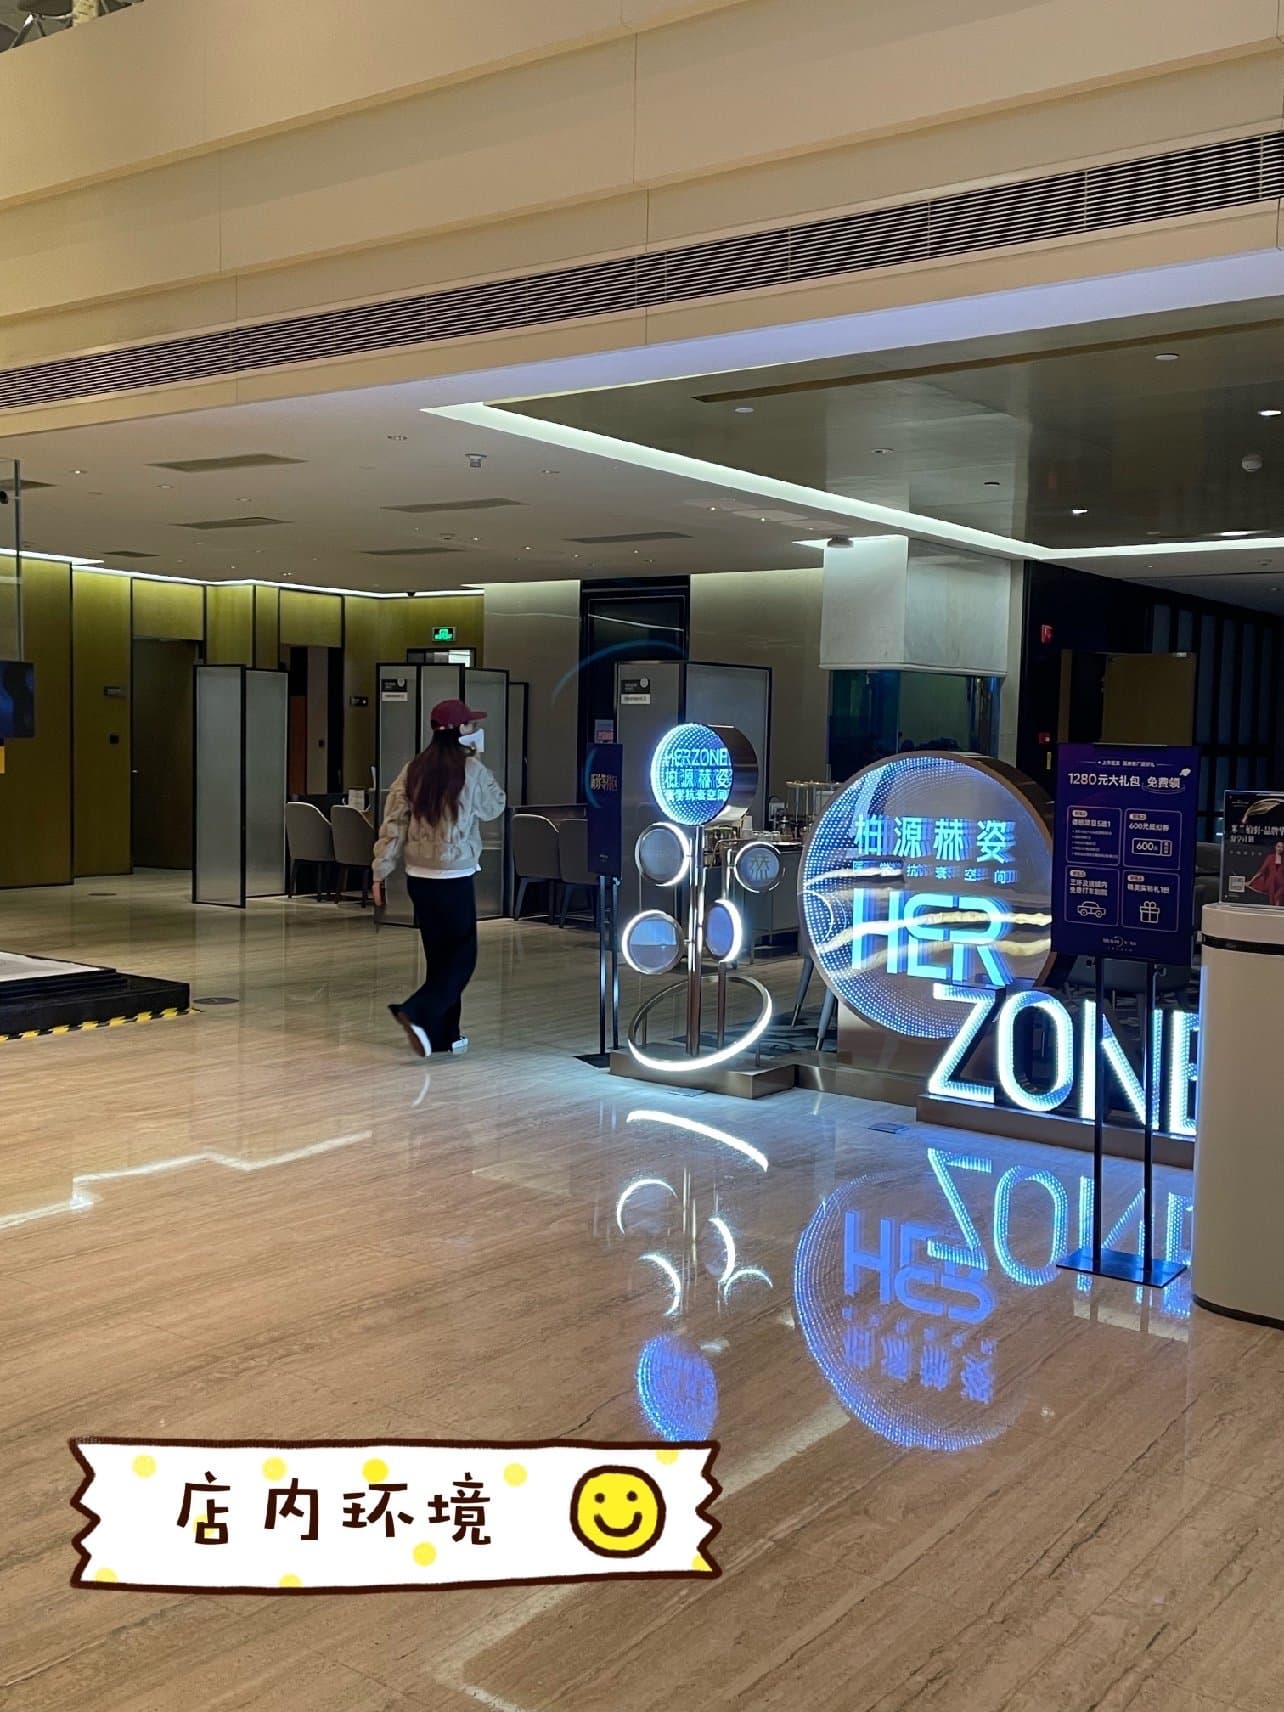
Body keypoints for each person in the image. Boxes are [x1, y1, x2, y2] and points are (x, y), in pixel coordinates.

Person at [371, 698, 506, 1057]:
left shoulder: (413, 769)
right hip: (455, 875)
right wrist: (478, 759)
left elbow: (393, 824)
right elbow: (495, 806)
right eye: (470, 725)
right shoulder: (471, 769)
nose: (473, 728)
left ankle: (445, 1036)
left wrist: (380, 871)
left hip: (419, 877)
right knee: (462, 958)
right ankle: (416, 1010)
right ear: (462, 730)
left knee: (439, 959)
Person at [1247, 839, 1284, 906]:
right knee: (1272, 901)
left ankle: (1277, 911)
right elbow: (1262, 870)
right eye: (1278, 846)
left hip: (1282, 883)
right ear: (1275, 847)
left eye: (1282, 847)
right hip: (1271, 882)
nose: (1280, 848)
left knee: (1277, 897)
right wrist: (1252, 880)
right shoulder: (1270, 857)